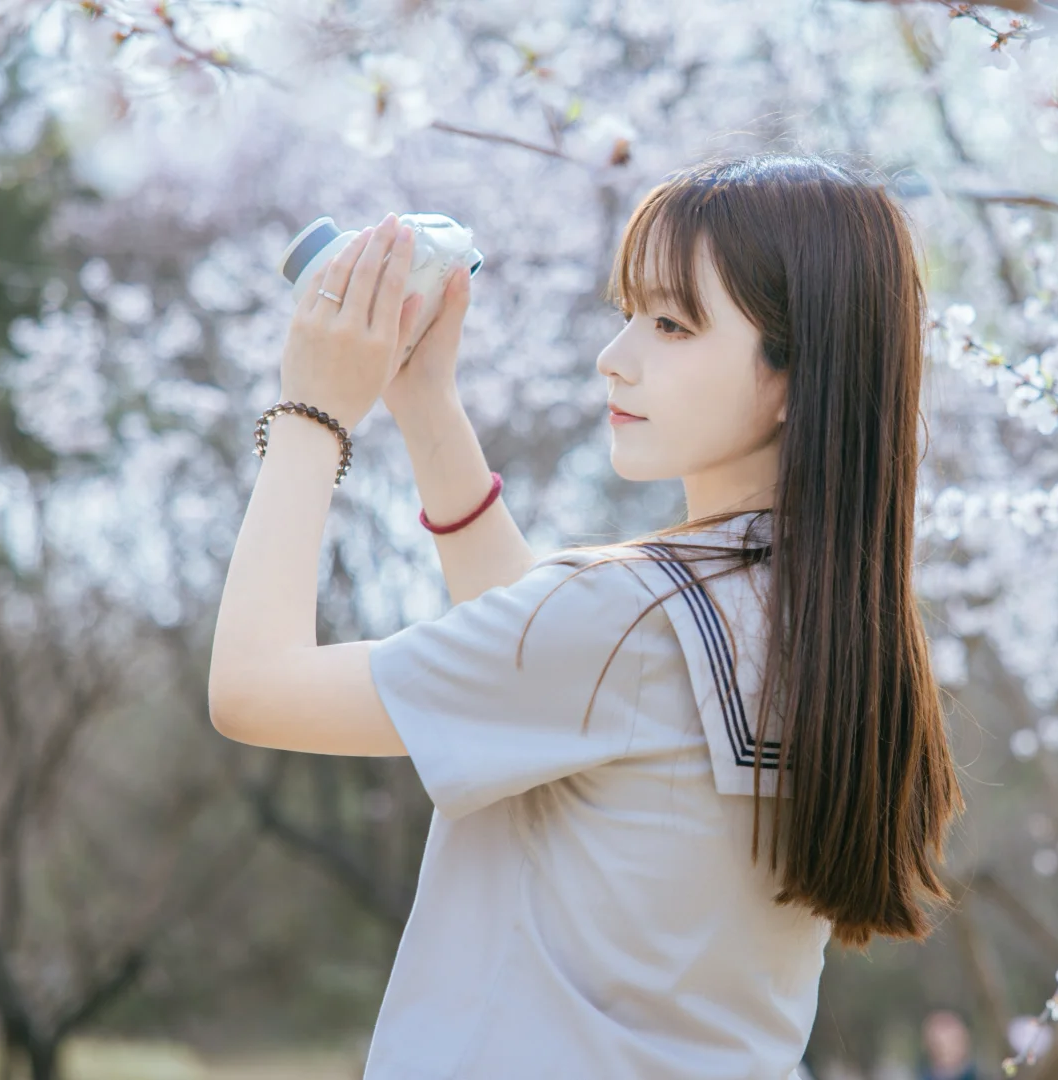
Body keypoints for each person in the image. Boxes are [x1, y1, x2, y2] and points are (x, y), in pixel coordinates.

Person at [206, 153, 964, 1079]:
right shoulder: (819, 618)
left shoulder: (631, 619)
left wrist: (309, 412)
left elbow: (252, 688)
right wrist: (427, 403)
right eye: (629, 313)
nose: (617, 356)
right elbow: (543, 674)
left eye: (672, 324)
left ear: (792, 376)